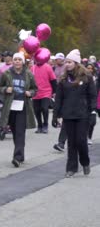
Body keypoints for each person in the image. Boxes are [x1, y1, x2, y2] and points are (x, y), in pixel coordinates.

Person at [53, 49, 96, 177]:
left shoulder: (87, 77)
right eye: (66, 62)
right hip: (68, 114)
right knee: (71, 142)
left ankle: (85, 162)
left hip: (83, 114)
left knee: (81, 141)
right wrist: (56, 115)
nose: (67, 64)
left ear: (76, 63)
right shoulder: (63, 79)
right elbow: (59, 98)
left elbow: (92, 96)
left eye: (70, 62)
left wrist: (93, 112)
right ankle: (71, 168)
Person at [0, 52, 37, 168]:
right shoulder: (7, 73)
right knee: (14, 130)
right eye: (15, 60)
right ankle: (21, 154)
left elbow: (35, 88)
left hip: (23, 106)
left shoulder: (28, 74)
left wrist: (31, 93)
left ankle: (17, 157)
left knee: (20, 131)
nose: (17, 62)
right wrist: (5, 89)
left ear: (23, 62)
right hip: (10, 106)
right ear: (13, 61)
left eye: (20, 60)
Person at [31, 59, 57, 133]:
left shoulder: (48, 67)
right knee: (36, 110)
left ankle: (45, 125)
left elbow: (53, 80)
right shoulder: (32, 68)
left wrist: (54, 91)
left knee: (44, 108)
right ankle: (39, 125)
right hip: (35, 92)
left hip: (46, 92)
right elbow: (29, 80)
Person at [86, 63, 98, 145]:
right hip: (84, 102)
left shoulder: (96, 78)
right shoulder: (83, 78)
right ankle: (85, 136)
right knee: (85, 121)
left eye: (91, 68)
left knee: (92, 122)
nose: (89, 70)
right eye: (88, 68)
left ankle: (89, 136)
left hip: (95, 102)